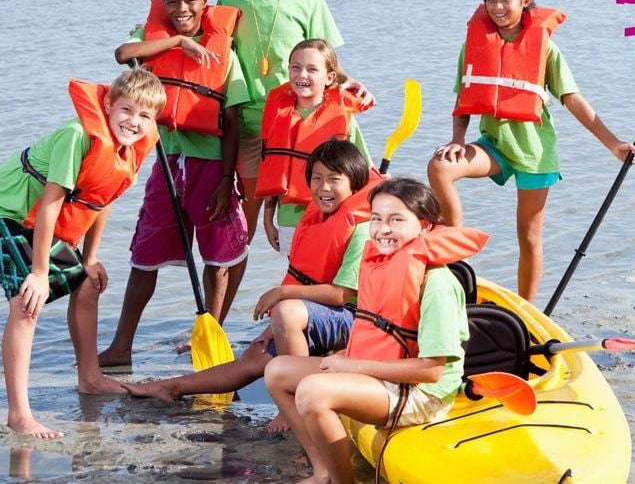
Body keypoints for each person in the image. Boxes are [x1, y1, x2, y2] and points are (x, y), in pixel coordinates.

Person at [124, 140, 381, 433]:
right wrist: (271, 330)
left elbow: (340, 294)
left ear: (356, 183)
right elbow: (302, 279)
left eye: (335, 180)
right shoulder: (316, 219)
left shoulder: (361, 232)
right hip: (315, 315)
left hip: (352, 321)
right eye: (317, 178)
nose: (324, 187)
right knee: (253, 358)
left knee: (285, 312)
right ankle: (170, 387)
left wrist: (282, 295)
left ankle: (297, 403)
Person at [428, 0, 635, 303]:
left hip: (534, 154)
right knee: (440, 167)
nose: (497, 7)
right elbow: (463, 99)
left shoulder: (546, 49)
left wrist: (613, 144)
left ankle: (527, 310)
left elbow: (573, 100)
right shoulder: (473, 46)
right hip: (494, 146)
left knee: (528, 235)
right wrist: (457, 140)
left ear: (525, 1)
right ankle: (454, 252)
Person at [264, 178, 488, 484]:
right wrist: (347, 355)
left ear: (424, 226)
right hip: (381, 374)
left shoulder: (437, 284)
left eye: (396, 219)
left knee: (312, 391)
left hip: (422, 394)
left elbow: (433, 371)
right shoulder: (382, 265)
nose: (383, 229)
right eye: (376, 219)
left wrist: (350, 365)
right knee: (277, 371)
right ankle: (325, 471)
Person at [0, 69, 166, 438]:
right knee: (28, 302)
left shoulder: (131, 148)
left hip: (35, 223)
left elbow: (100, 199)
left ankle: (90, 378)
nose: (134, 122)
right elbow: (49, 205)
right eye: (126, 110)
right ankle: (19, 414)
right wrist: (40, 273)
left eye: (144, 116)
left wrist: (90, 258)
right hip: (8, 213)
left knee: (86, 285)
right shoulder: (78, 136)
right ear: (107, 104)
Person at [98, 0, 250, 367]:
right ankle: (121, 346)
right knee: (144, 253)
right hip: (167, 164)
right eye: (173, 1)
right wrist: (179, 41)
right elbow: (122, 55)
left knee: (218, 259)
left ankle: (210, 340)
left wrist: (226, 180)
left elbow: (232, 121)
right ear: (163, 4)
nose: (182, 8)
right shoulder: (155, 47)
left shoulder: (224, 54)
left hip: (210, 166)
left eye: (190, 0)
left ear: (206, 0)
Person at [217, 0, 373, 245]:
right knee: (241, 233)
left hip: (298, 125)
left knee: (307, 217)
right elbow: (214, 57)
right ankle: (229, 300)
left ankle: (308, 290)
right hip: (247, 127)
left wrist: (348, 81)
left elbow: (328, 62)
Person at [256, 38, 373, 255]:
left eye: (312, 69)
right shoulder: (277, 115)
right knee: (299, 280)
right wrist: (267, 219)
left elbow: (365, 170)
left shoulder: (342, 118)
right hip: (289, 219)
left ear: (330, 77)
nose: (302, 75)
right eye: (295, 68)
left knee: (326, 281)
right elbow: (272, 166)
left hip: (332, 216)